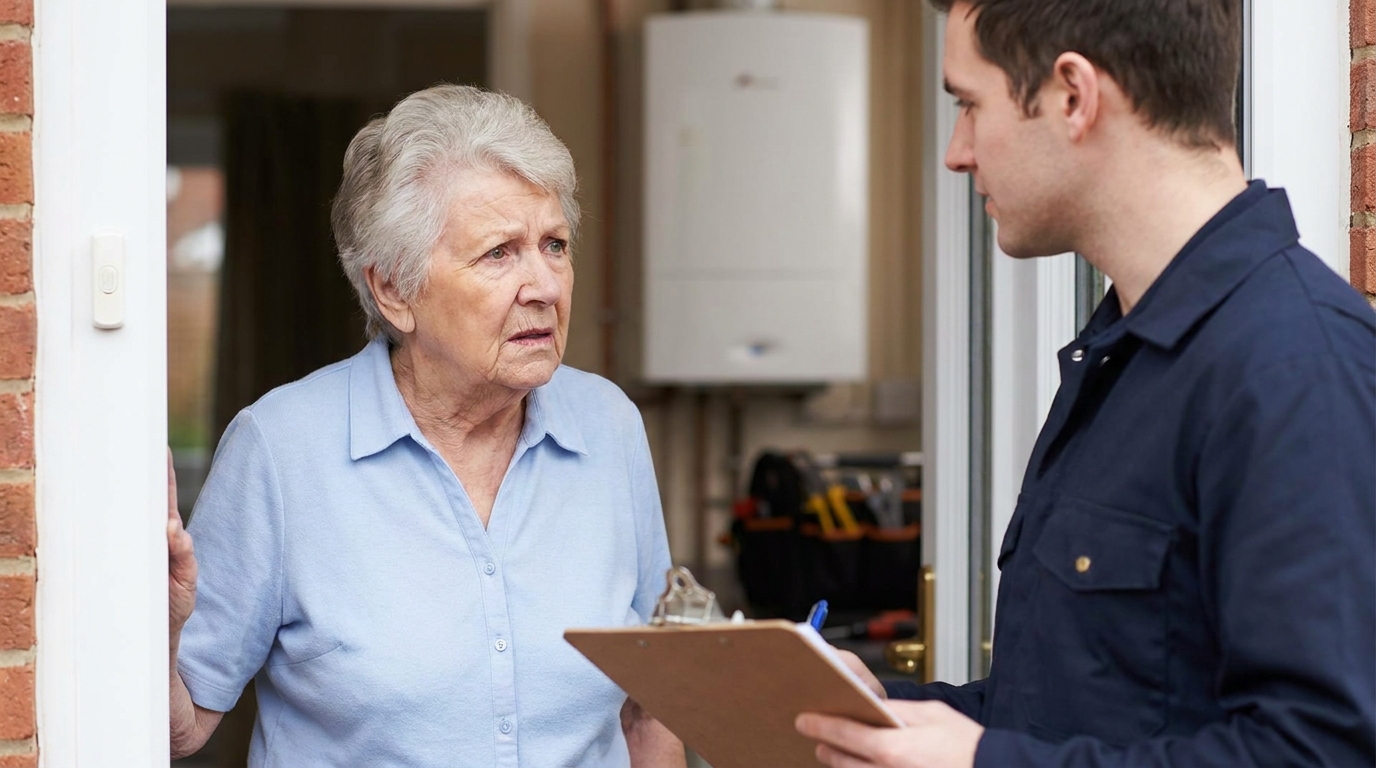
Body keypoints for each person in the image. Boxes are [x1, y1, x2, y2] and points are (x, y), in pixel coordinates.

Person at [795, 1, 1376, 766]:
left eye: (970, 105)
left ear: (1074, 95)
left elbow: (1321, 752)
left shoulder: (1294, 366)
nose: (956, 153)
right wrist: (883, 714)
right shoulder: (1122, 357)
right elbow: (1070, 717)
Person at [166, 84, 685, 768]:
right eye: (499, 253)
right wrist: (160, 635)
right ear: (393, 290)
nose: (545, 286)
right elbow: (182, 728)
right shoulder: (281, 449)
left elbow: (649, 703)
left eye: (554, 245)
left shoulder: (609, 426)